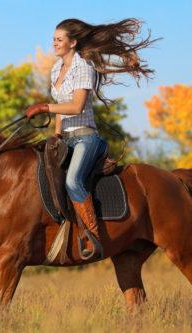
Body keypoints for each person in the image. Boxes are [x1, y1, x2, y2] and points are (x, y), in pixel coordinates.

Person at [25, 18, 156, 258]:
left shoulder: (83, 67)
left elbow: (75, 107)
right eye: (53, 39)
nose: (54, 43)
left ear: (72, 43)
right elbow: (61, 108)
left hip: (86, 139)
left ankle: (92, 237)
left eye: (59, 39)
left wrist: (44, 107)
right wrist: (55, 135)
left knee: (74, 181)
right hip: (65, 139)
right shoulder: (56, 69)